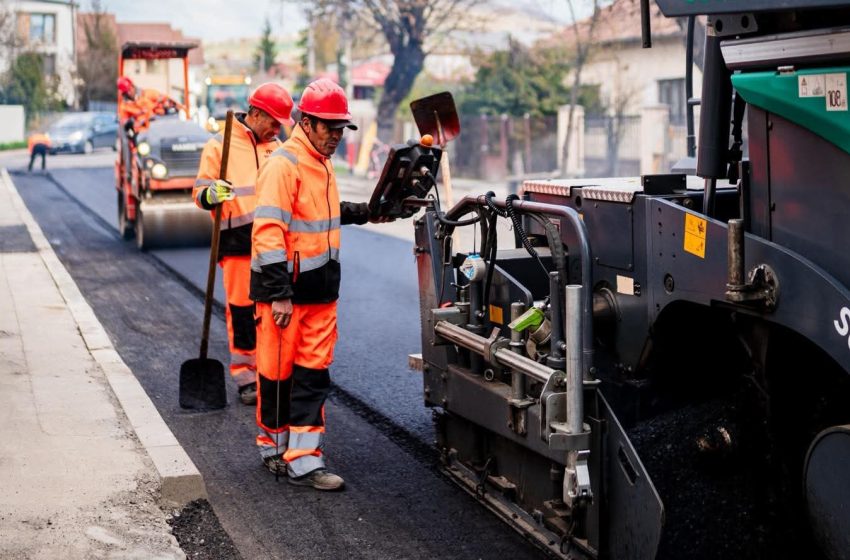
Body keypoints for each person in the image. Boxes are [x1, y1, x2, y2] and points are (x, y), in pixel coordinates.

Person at [250, 78, 386, 491]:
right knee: (277, 377)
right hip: (286, 296)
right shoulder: (283, 164)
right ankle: (273, 448)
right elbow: (269, 231)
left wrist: (369, 212)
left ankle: (304, 459)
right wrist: (279, 293)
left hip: (322, 293)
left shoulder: (321, 163)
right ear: (306, 123)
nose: (336, 137)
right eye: (329, 128)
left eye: (341, 129)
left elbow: (325, 214)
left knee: (313, 376)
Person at [194, 83, 295, 406]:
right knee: (241, 313)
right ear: (255, 114)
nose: (277, 128)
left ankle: (272, 372)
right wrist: (211, 194)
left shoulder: (276, 148)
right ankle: (246, 377)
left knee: (272, 311)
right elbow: (199, 192)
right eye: (273, 121)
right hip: (236, 243)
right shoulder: (218, 146)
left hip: (271, 244)